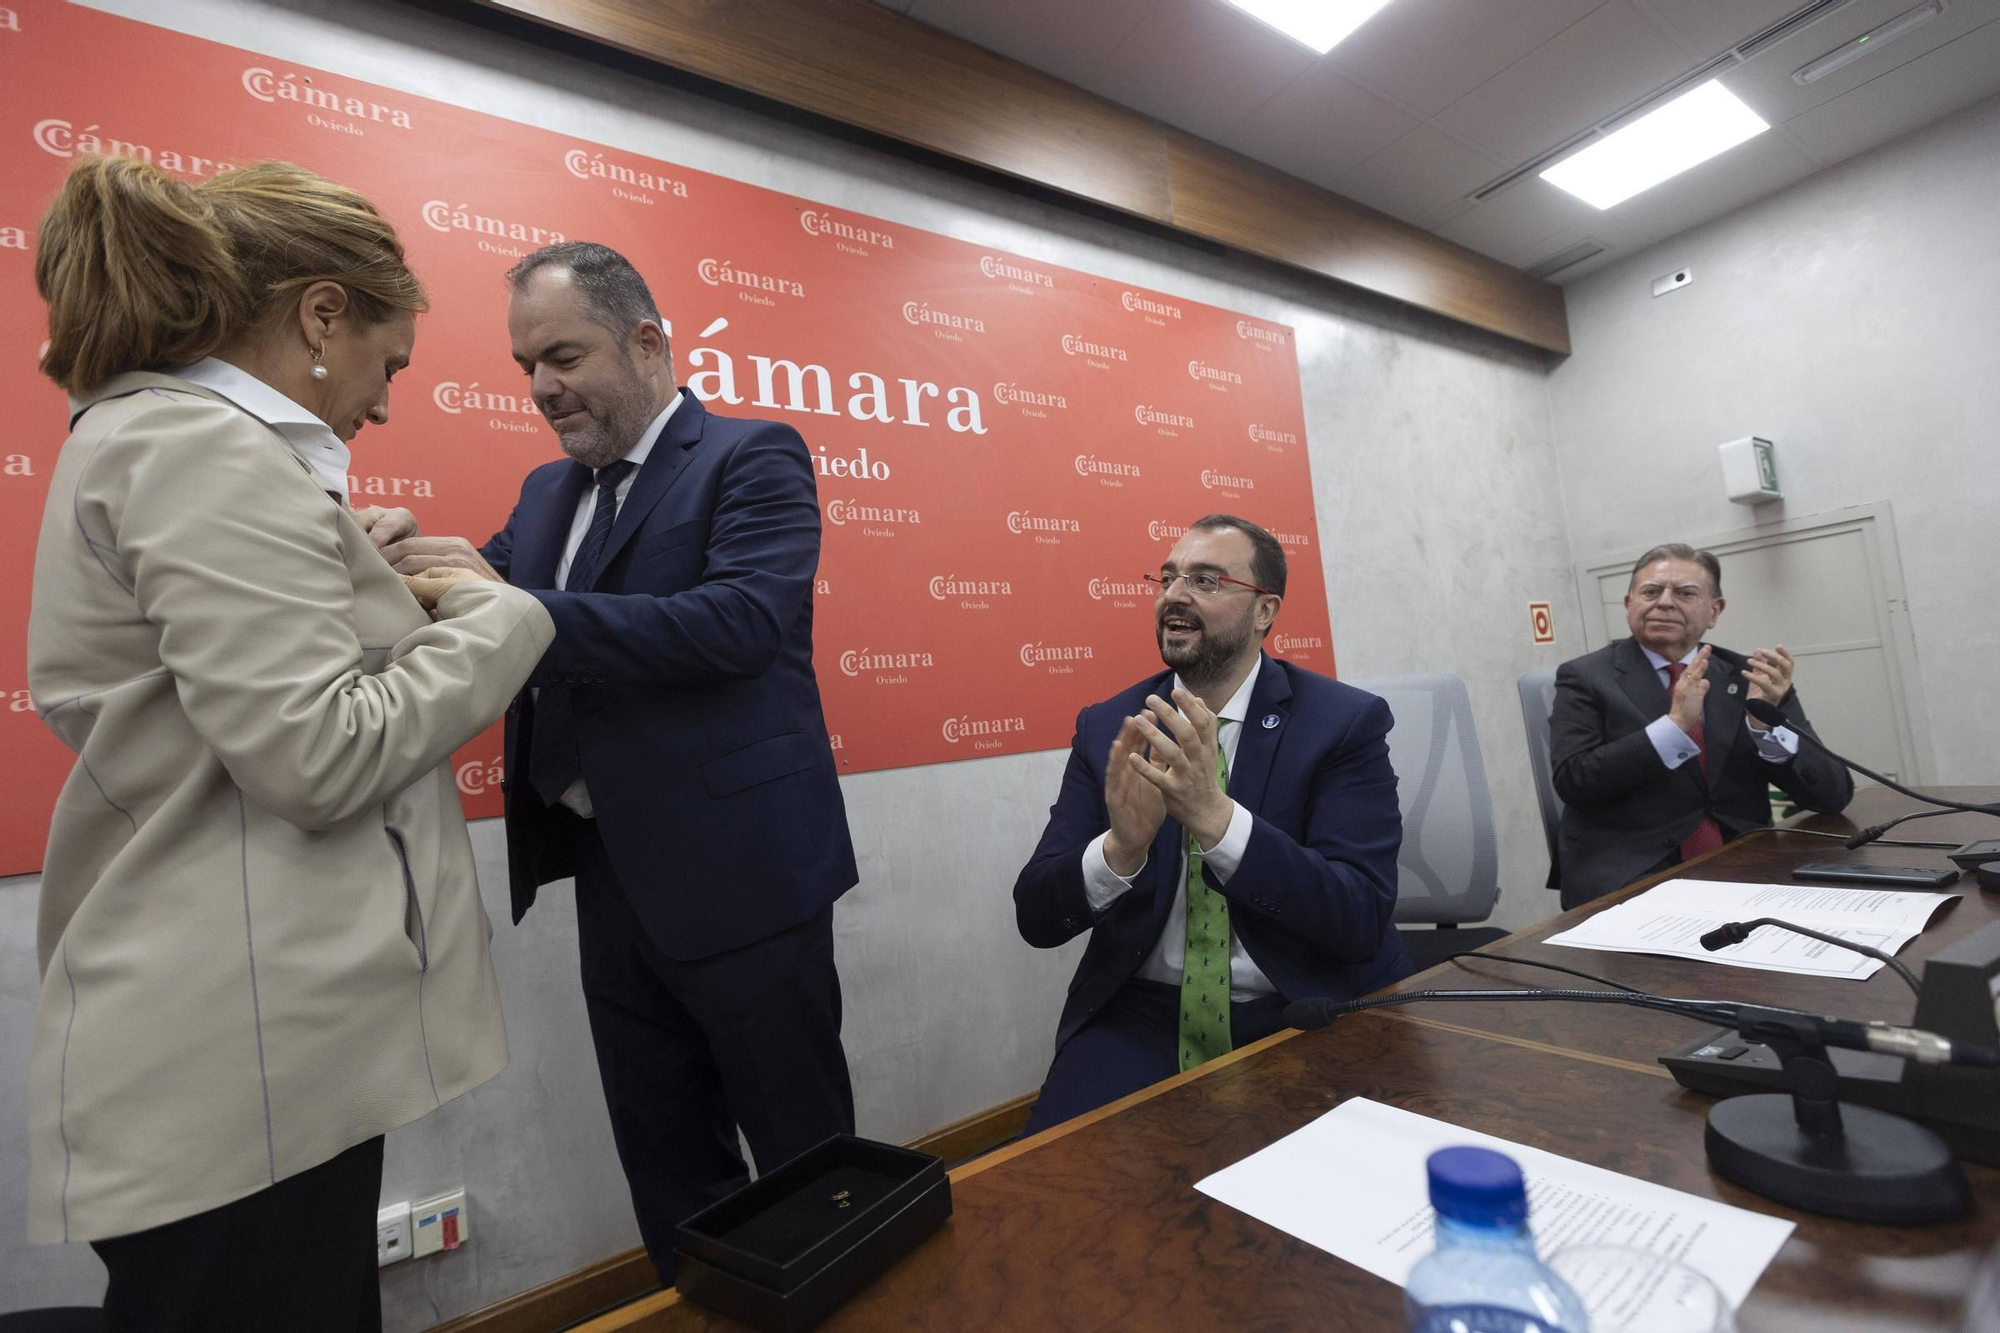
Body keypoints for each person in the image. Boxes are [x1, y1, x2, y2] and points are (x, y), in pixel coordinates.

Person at [25, 156, 553, 1331]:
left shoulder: (171, 440)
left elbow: (222, 701)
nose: (381, 404)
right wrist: (512, 620)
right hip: (232, 1063)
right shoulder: (203, 447)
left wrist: (347, 574)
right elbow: (317, 755)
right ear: (321, 313)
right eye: (386, 363)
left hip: (231, 1052)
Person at [366, 241, 856, 1282]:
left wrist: (507, 603)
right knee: (668, 1165)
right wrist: (387, 561)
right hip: (607, 875)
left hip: (745, 878)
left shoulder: (753, 451)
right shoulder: (547, 492)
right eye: (524, 366)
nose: (541, 387)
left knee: (806, 1166)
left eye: (563, 355)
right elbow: (475, 600)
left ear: (644, 342)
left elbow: (739, 624)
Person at [1013, 515, 1409, 1134]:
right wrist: (1119, 851)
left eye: (1206, 580)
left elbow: (1359, 918)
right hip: (1142, 1016)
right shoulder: (1110, 726)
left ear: (1264, 611)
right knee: (1051, 1200)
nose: (1174, 595)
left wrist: (1219, 823)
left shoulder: (1342, 722)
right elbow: (1036, 917)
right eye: (1167, 578)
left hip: (1301, 1003)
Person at [1551, 543, 1853, 909]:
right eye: (1650, 592)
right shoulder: (1585, 677)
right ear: (1629, 603)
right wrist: (1674, 727)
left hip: (1744, 862)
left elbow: (1832, 795)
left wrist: (1764, 726)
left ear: (1715, 610)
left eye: (1684, 593)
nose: (1664, 602)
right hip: (1629, 869)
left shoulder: (1752, 678)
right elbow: (1574, 781)